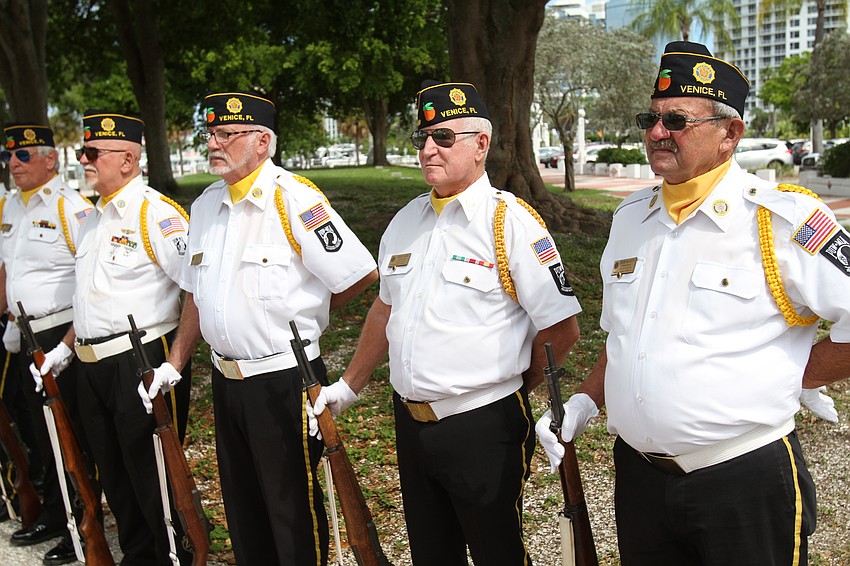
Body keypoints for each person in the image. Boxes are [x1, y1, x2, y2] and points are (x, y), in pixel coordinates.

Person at [536, 41, 850, 565]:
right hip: (640, 478)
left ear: (730, 134)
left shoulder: (781, 220)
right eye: (651, 118)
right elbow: (623, 338)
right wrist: (585, 403)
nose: (658, 133)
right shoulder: (630, 217)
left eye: (678, 121)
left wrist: (793, 375)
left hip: (743, 478)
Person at [311, 80, 582, 565]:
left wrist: (514, 388)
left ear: (481, 144)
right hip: (411, 422)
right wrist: (350, 385)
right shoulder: (406, 220)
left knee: (497, 551)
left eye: (443, 137)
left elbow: (562, 329)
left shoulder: (510, 223)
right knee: (431, 553)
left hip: (483, 423)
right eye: (422, 139)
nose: (429, 149)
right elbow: (384, 309)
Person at [154, 91, 378, 565]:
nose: (213, 143)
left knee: (290, 509)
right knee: (243, 507)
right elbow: (196, 291)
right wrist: (175, 362)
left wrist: (311, 309)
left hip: (284, 380)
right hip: (226, 379)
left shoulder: (294, 199)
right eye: (210, 134)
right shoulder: (205, 206)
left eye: (226, 134)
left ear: (262, 142)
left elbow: (360, 273)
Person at [35, 110, 193, 565]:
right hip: (91, 364)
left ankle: (172, 555)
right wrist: (65, 348)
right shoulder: (93, 217)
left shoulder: (157, 214)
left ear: (127, 159)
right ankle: (138, 556)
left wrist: (176, 362)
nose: (83, 160)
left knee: (153, 475)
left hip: (139, 358)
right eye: (83, 152)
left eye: (92, 153)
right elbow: (89, 301)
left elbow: (194, 290)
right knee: (114, 472)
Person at [0, 122, 96, 565]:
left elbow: (89, 276)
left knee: (67, 433)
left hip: (61, 337)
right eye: (7, 156)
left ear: (50, 159)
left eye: (22, 156)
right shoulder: (12, 207)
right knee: (40, 430)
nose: (12, 164)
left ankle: (84, 526)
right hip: (26, 332)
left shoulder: (69, 206)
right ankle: (58, 514)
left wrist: (67, 344)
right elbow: (9, 269)